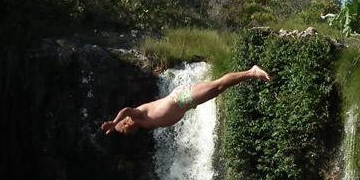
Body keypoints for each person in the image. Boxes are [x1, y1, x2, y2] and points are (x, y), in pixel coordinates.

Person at [101, 65, 271, 136]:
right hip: (184, 104)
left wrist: (113, 122)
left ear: (126, 124)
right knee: (219, 88)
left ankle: (252, 72)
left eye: (124, 132)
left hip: (180, 98)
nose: (127, 134)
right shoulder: (142, 124)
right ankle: (250, 74)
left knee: (218, 85)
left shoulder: (137, 115)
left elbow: (125, 110)